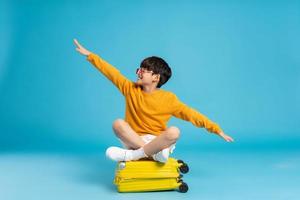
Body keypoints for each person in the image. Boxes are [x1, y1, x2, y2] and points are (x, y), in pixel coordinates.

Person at [74, 39, 234, 163]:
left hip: (157, 140)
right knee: (117, 123)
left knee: (174, 132)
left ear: (156, 77)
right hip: (133, 138)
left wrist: (216, 129)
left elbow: (191, 114)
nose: (138, 72)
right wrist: (90, 55)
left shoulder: (168, 98)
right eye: (139, 69)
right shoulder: (129, 88)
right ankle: (152, 155)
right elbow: (111, 72)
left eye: (143, 70)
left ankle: (133, 156)